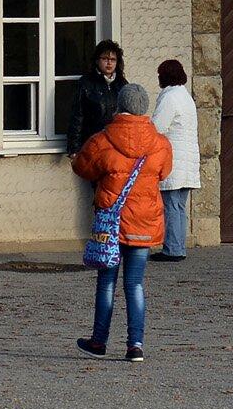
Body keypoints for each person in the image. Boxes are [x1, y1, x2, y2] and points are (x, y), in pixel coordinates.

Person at [73, 83, 171, 360]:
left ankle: (98, 342)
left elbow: (81, 167)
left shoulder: (103, 140)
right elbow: (164, 172)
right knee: (135, 284)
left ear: (120, 105)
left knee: (106, 283)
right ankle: (135, 345)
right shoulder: (160, 143)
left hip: (111, 223)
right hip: (144, 220)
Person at [152, 59, 199, 262]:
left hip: (174, 160)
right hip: (188, 161)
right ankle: (178, 247)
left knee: (170, 206)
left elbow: (157, 127)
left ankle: (172, 249)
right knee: (179, 207)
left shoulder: (170, 98)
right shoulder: (186, 96)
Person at [64, 42, 143, 157]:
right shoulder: (86, 83)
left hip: (117, 146)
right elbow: (77, 116)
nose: (109, 63)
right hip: (93, 144)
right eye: (105, 59)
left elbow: (131, 116)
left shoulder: (122, 84)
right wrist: (73, 148)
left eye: (113, 59)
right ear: (97, 60)